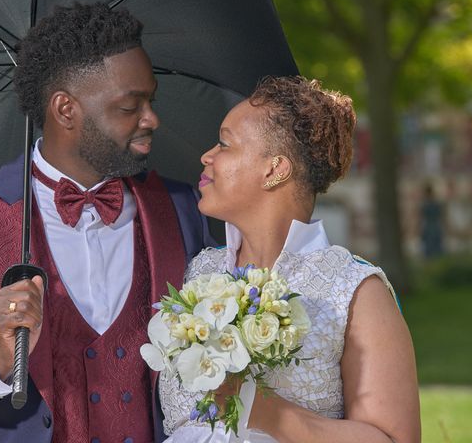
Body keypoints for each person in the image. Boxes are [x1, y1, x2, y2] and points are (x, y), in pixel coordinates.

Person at [0, 2, 214, 443]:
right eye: (129, 106)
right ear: (65, 110)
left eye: (150, 101)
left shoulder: (181, 206)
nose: (151, 119)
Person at [158, 76, 420, 442]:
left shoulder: (352, 290)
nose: (207, 156)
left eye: (224, 143)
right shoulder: (197, 273)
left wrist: (270, 413)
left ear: (274, 169)